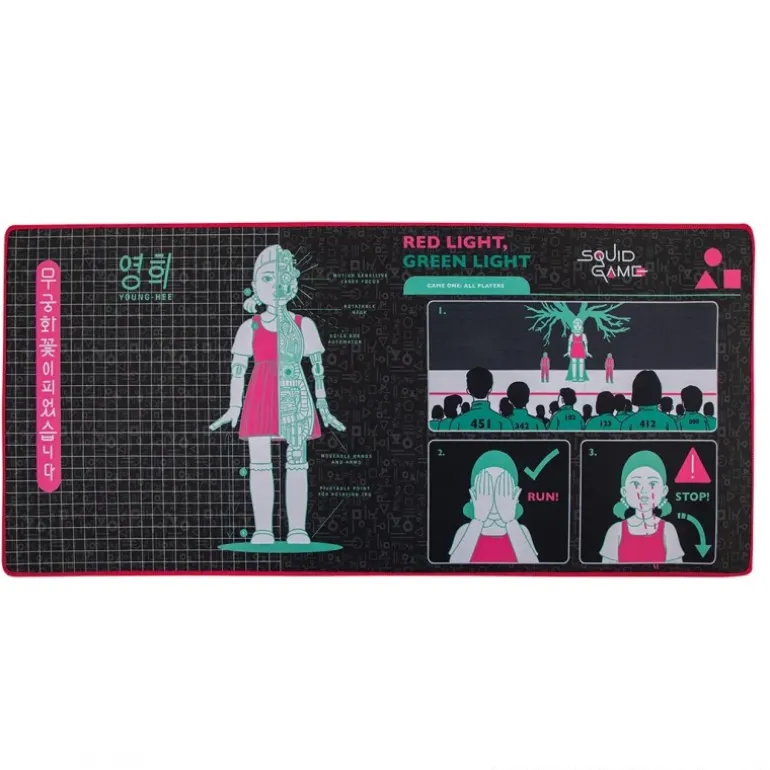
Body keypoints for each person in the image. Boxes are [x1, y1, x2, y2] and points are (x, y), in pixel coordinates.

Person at [210, 245, 345, 546]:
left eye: (282, 277)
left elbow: (318, 369)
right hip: (260, 396)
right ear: (255, 285)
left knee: (297, 462)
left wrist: (323, 405)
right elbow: (237, 370)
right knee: (259, 463)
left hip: (295, 396)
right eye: (267, 278)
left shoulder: (304, 325)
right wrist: (234, 407)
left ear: (293, 283)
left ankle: (297, 529)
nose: (276, 285)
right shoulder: (250, 327)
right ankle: (263, 530)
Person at [449, 450, 539, 563]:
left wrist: (510, 521)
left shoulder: (521, 531)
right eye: (486, 489)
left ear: (515, 496)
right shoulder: (465, 531)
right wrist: (478, 520)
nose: (494, 500)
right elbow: (454, 564)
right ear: (473, 495)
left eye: (502, 489)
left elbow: (533, 565)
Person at [600, 450, 684, 563]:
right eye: (636, 483)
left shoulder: (668, 531)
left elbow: (676, 570)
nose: (644, 490)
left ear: (664, 491)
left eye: (652, 484)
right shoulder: (615, 531)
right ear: (624, 491)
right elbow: (606, 571)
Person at [564, 317, 592, 382]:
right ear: (573, 326)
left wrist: (586, 351)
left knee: (581, 363)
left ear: (581, 326)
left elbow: (586, 344)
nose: (577, 326)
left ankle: (581, 377)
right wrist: (569, 351)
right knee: (574, 363)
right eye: (576, 324)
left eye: (579, 324)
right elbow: (569, 344)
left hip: (581, 349)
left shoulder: (583, 335)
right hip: (574, 349)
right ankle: (574, 377)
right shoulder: (572, 335)